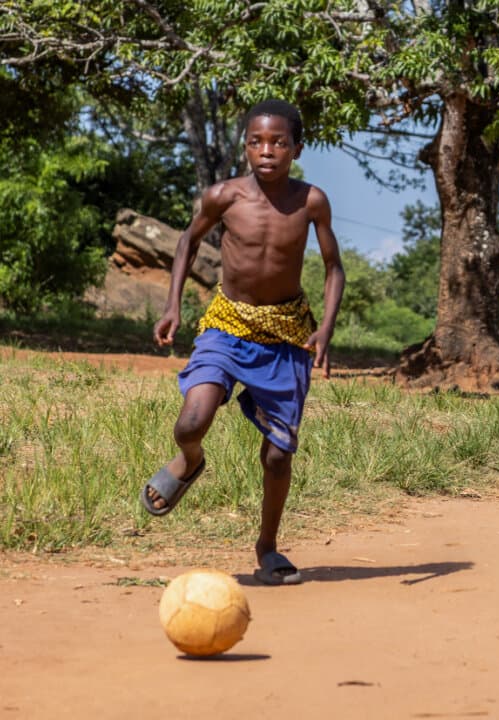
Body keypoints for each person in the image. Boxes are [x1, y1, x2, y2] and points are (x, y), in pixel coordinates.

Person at [141, 99, 346, 586]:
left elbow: (334, 267)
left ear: (297, 147)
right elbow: (188, 241)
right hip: (228, 324)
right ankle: (190, 463)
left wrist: (327, 329)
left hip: (286, 333)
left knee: (278, 455)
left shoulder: (311, 201)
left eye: (278, 142)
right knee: (191, 422)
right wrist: (173, 305)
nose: (267, 151)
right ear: (246, 146)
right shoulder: (223, 195)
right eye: (256, 141)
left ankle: (268, 547)